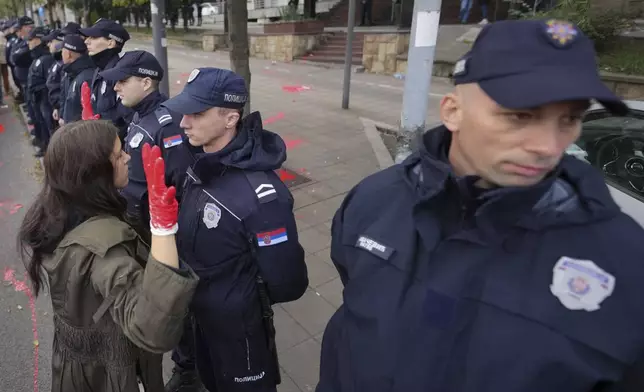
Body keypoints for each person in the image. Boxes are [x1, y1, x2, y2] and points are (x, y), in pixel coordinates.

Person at [317, 19, 644, 392]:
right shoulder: (374, 200)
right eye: (521, 115)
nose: (549, 145)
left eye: (569, 119)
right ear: (453, 111)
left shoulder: (626, 263)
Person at [18, 119, 199, 392]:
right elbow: (153, 328)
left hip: (81, 369)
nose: (127, 158)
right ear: (94, 173)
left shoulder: (63, 209)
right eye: (118, 155)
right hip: (109, 378)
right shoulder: (102, 251)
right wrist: (163, 227)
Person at [161, 68, 308, 392]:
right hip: (200, 318)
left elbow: (288, 283)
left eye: (197, 113)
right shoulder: (198, 162)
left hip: (239, 332)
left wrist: (236, 296)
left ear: (230, 119)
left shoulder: (260, 196)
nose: (184, 122)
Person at [97, 50, 192, 240]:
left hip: (155, 228)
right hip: (138, 218)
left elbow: (180, 185)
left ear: (146, 83)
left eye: (123, 81)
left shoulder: (167, 125)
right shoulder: (140, 112)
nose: (115, 87)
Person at [80, 18, 133, 140]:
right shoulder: (99, 70)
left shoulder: (119, 76)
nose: (87, 41)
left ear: (111, 43)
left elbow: (127, 124)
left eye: (93, 37)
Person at [27, 26, 55, 156]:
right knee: (42, 123)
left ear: (38, 40)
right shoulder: (37, 57)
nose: (28, 42)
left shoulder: (46, 58)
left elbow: (49, 82)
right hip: (37, 98)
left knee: (49, 125)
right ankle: (45, 146)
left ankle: (51, 152)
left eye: (30, 39)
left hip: (44, 99)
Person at [48, 22, 81, 128]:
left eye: (68, 35)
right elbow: (63, 92)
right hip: (65, 116)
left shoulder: (80, 67)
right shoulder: (65, 65)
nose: (64, 39)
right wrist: (60, 111)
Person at [58, 34, 96, 125]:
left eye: (62, 51)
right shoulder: (73, 72)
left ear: (68, 54)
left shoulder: (85, 76)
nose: (61, 54)